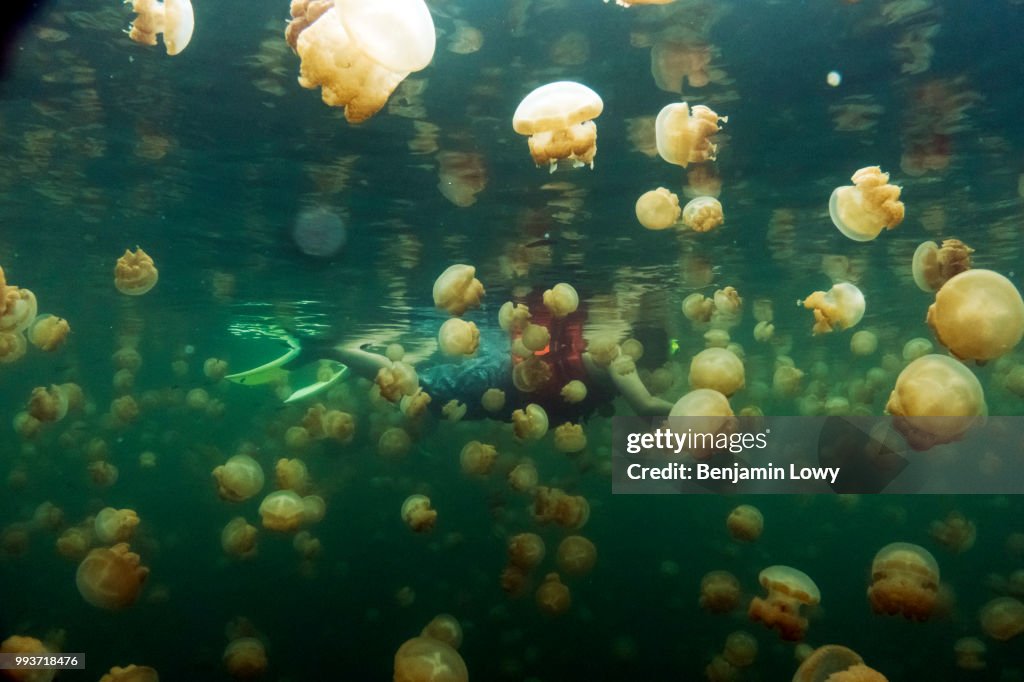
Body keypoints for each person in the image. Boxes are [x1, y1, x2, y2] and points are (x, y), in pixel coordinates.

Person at [228, 289, 673, 420]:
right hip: (508, 383)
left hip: (514, 388)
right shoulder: (621, 361)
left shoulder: (613, 350)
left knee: (429, 388)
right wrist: (720, 424)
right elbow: (648, 406)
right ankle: (329, 349)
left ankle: (370, 354)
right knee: (421, 393)